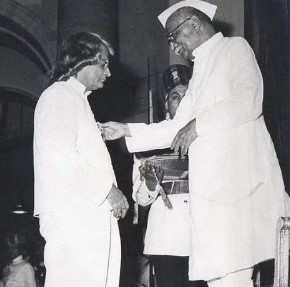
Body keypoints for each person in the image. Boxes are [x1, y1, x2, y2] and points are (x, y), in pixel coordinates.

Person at [100, 1, 290, 286]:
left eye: (174, 37)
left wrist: (197, 125)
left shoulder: (234, 49)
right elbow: (176, 126)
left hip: (239, 193)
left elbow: (248, 100)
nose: (174, 47)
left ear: (194, 24)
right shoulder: (200, 70)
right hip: (214, 201)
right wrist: (126, 129)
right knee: (221, 279)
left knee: (232, 279)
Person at [33, 31, 129, 287]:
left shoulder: (76, 100)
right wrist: (109, 191)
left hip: (85, 216)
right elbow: (61, 158)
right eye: (103, 63)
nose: (108, 72)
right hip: (74, 219)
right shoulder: (58, 96)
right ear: (83, 60)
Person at [133, 64, 205, 287]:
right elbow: (139, 198)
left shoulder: (209, 135)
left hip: (203, 236)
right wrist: (151, 182)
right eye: (175, 97)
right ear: (166, 103)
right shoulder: (148, 142)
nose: (182, 102)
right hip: (167, 238)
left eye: (187, 95)